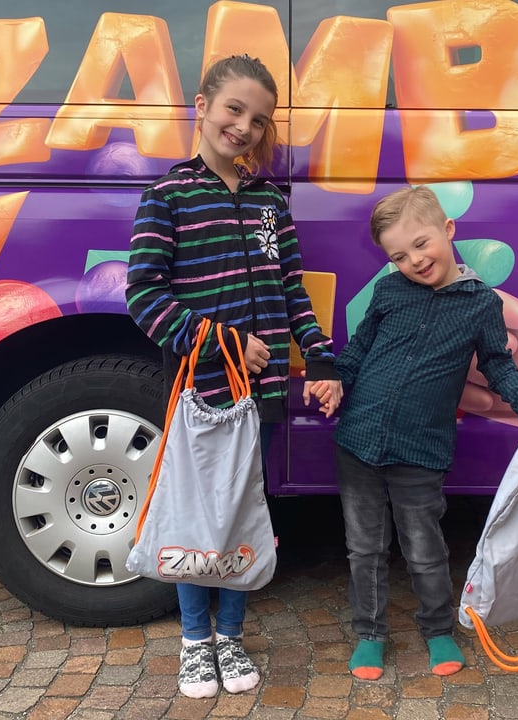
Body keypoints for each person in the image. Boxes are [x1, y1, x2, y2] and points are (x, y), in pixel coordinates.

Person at [126, 54, 343, 699]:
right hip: (203, 394)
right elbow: (144, 297)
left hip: (266, 393)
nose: (244, 126)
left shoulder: (271, 202)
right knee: (199, 518)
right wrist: (220, 343)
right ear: (202, 107)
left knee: (246, 512)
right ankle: (195, 641)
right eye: (234, 110)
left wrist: (319, 357)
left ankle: (231, 635)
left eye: (258, 119)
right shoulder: (166, 196)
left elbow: (291, 290)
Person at [312, 185, 518, 681]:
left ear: (448, 231)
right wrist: (336, 378)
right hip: (358, 441)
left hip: (422, 451)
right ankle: (370, 633)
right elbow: (359, 350)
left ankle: (438, 627)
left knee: (424, 548)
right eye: (399, 256)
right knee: (365, 548)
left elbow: (497, 364)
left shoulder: (479, 304)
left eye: (421, 245)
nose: (415, 261)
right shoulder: (388, 292)